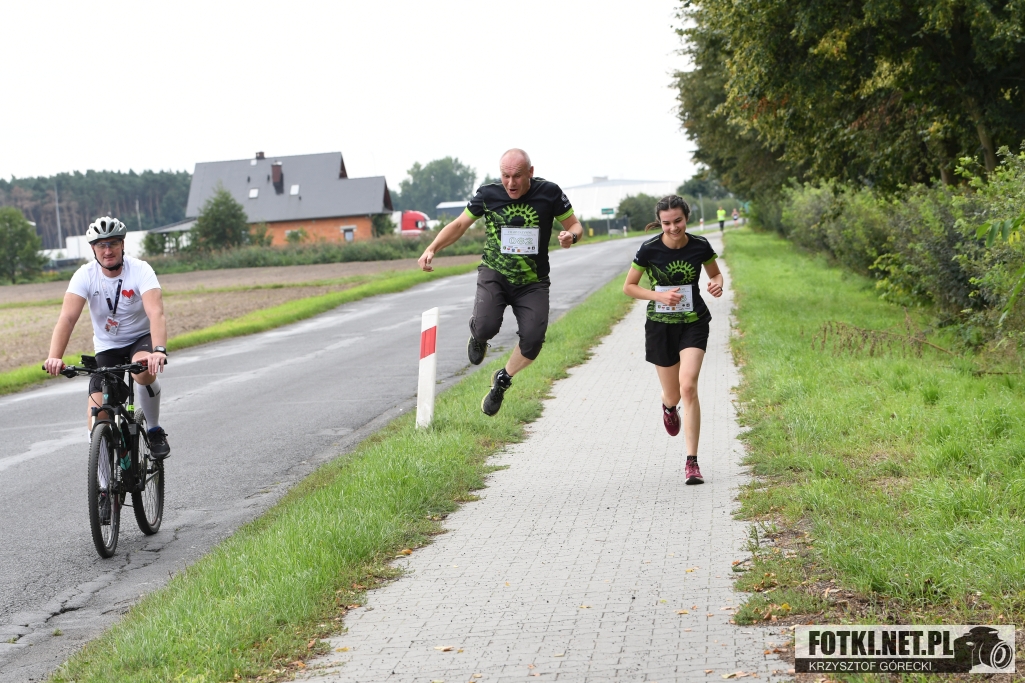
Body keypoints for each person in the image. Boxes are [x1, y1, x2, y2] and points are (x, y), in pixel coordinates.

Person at [418, 149, 583, 416]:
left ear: (530, 172)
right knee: (486, 326)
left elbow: (575, 225)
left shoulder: (549, 192)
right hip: (495, 274)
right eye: (505, 176)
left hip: (533, 282)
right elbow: (459, 225)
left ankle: (502, 380)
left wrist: (570, 237)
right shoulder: (488, 194)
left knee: (533, 340)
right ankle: (478, 336)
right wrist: (432, 248)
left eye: (517, 176)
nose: (510, 183)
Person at [44, 217, 170, 460]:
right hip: (107, 346)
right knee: (97, 413)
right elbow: (67, 319)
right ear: (93, 248)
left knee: (143, 371)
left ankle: (154, 430)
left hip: (139, 339)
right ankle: (102, 478)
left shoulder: (141, 270)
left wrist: (159, 350)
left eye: (113, 243)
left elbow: (156, 313)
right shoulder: (85, 275)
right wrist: (54, 357)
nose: (108, 250)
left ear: (122, 245)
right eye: (101, 245)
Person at [623, 195, 723, 484]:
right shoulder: (649, 249)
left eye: (678, 221)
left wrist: (716, 285)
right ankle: (668, 408)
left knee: (688, 386)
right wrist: (659, 296)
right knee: (674, 395)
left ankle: (692, 462)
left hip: (694, 322)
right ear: (660, 222)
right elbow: (629, 286)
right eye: (667, 223)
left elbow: (716, 275)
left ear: (686, 218)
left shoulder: (700, 245)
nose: (673, 227)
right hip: (660, 326)